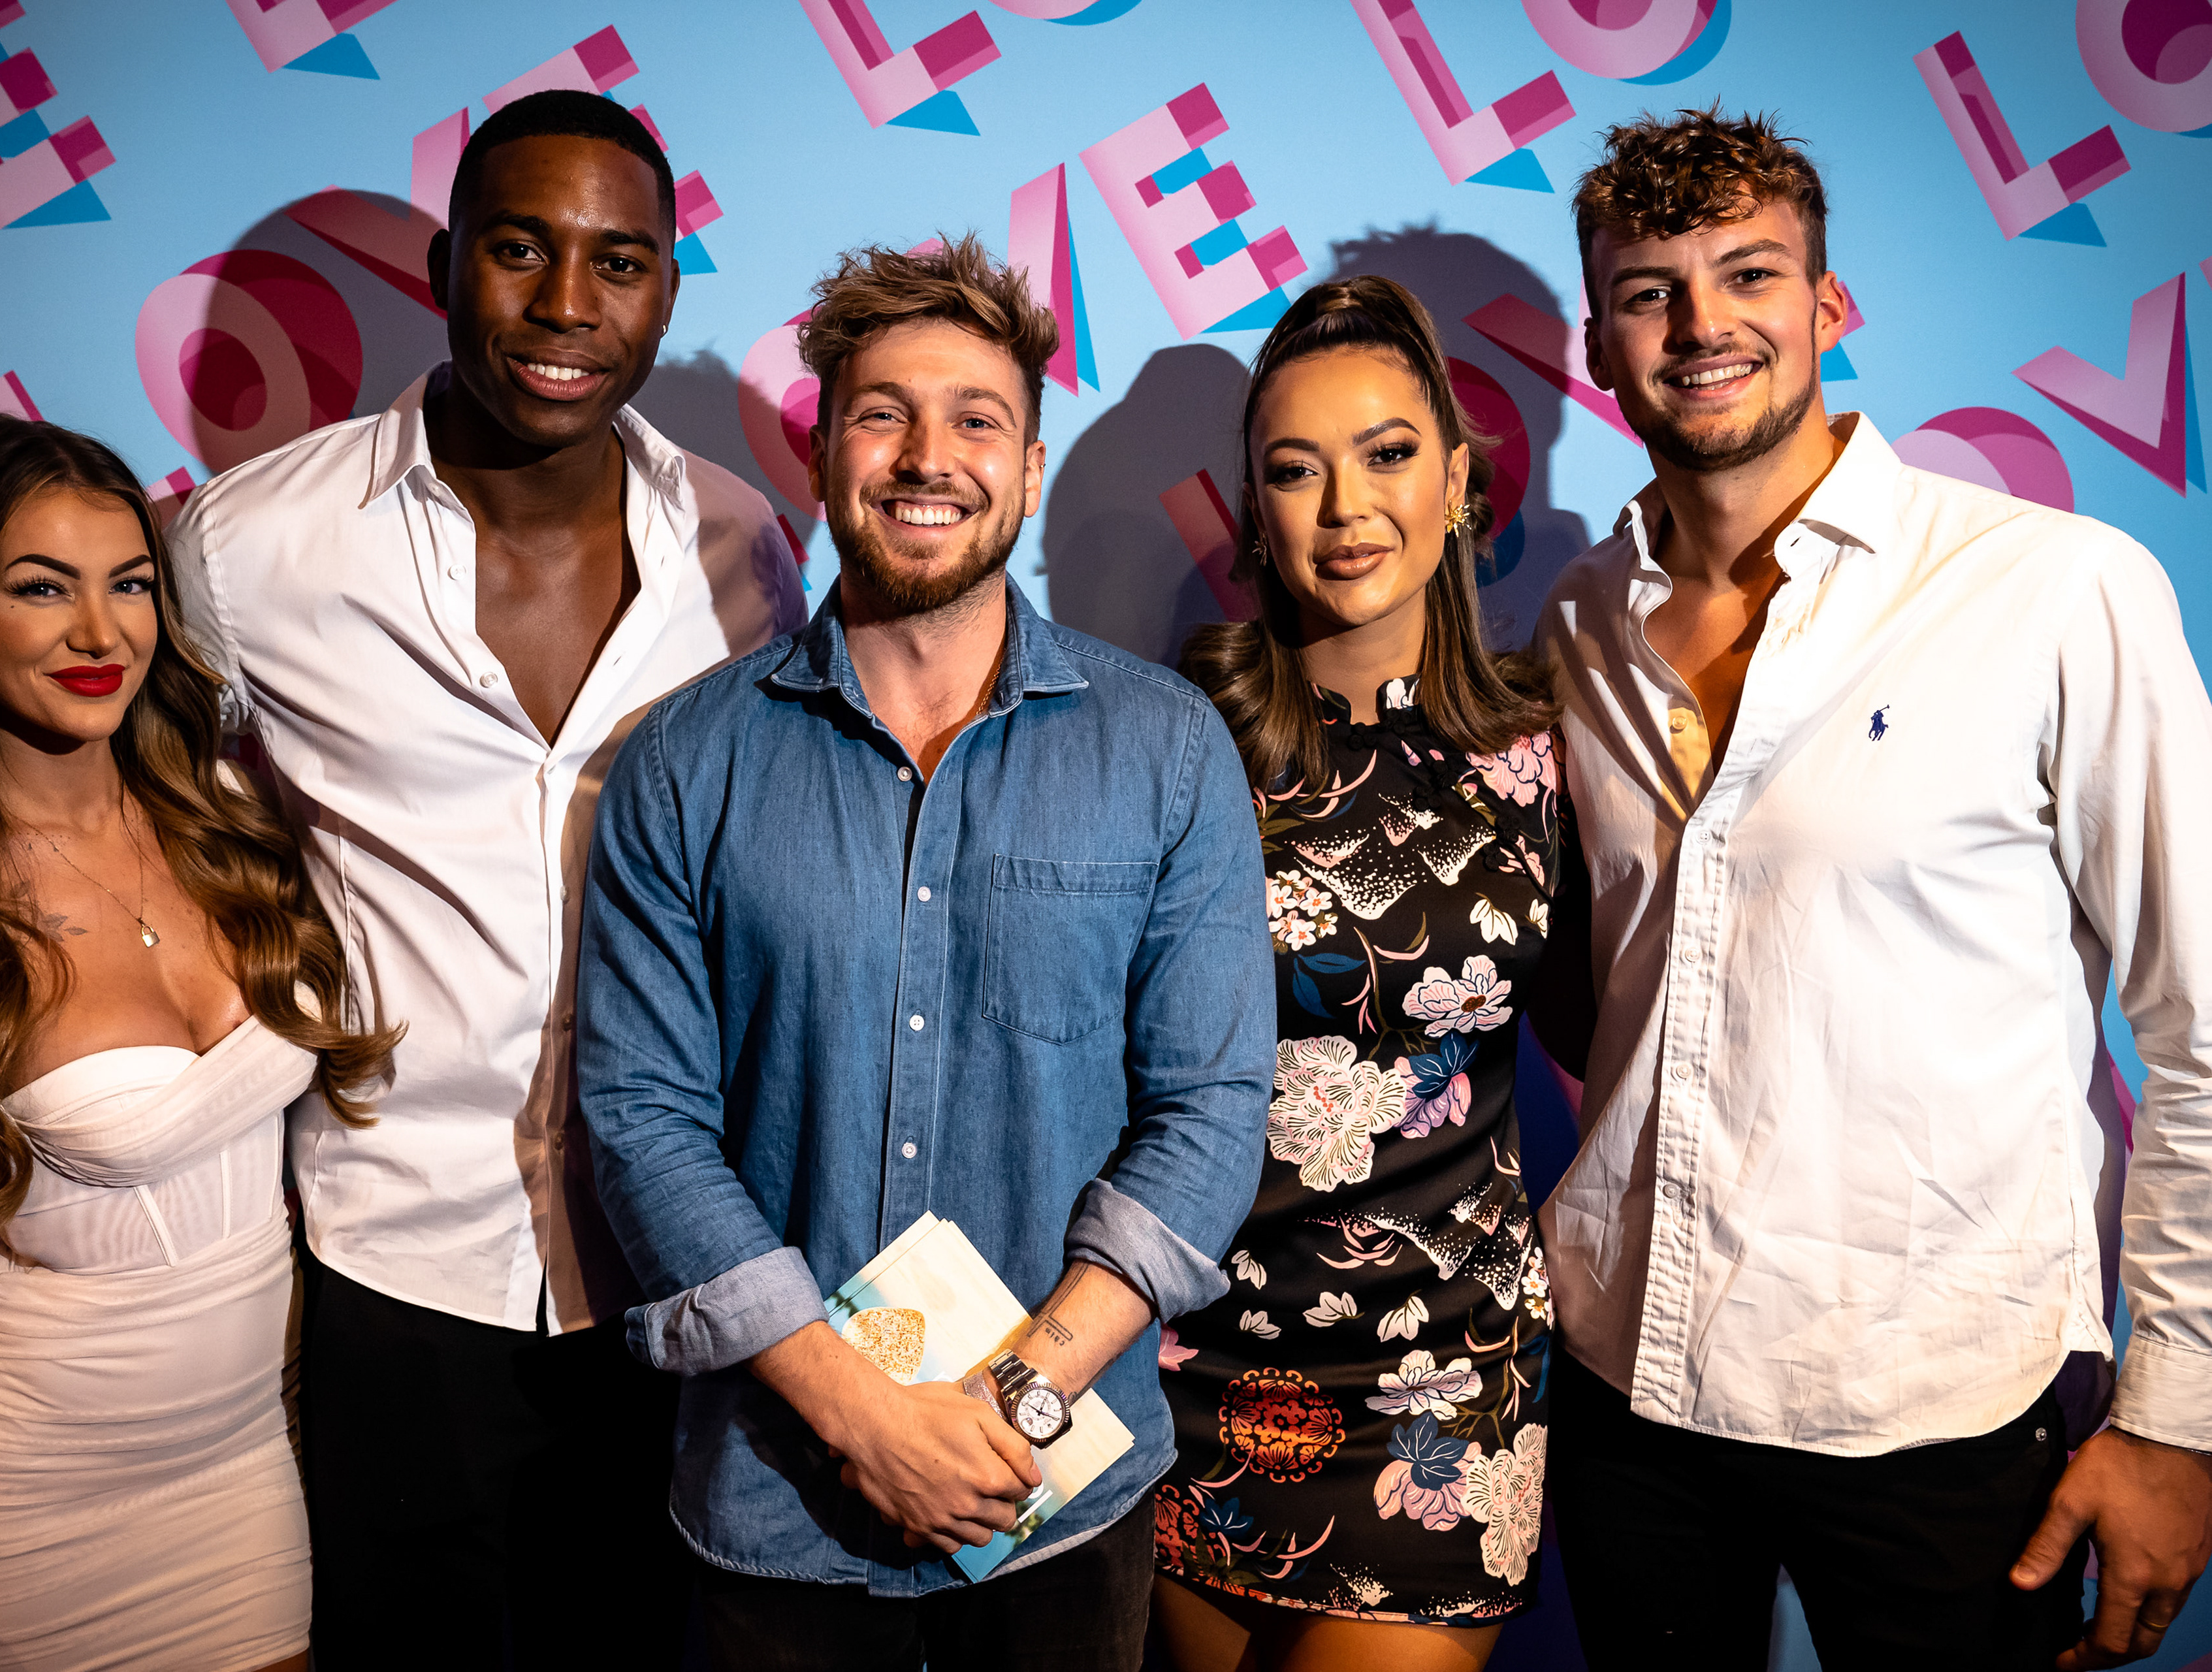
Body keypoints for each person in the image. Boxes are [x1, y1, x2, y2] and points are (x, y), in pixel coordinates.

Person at [1535, 106, 2212, 1669]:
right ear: (1599, 346)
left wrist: (2180, 1413)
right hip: (1632, 1380)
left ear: (1829, 305)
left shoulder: (2054, 588)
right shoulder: (1579, 622)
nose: (1702, 325)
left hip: (1941, 1397)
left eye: (1749, 274)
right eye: (1649, 292)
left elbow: (2199, 1021)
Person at [164, 88, 805, 1668]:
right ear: (446, 265)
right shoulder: (250, 549)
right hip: (395, 1254)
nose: (568, 305)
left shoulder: (742, 549)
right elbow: (125, 853)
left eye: (620, 262)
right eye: (522, 249)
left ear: (666, 288)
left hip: (677, 1257)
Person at [575, 234, 1274, 1669]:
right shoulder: (683, 765)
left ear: (1029, 467)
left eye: (976, 419)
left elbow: (1209, 1111)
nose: (927, 458)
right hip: (779, 1500)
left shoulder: (1166, 749)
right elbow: (643, 1120)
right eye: (883, 415)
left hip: (1058, 1505)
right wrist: (864, 1417)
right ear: (820, 452)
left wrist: (1008, 1406)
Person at [0, 413, 396, 1672]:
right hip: (34, 1491)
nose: (99, 633)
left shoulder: (230, 812)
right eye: (40, 588)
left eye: (129, 585)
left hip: (248, 1463)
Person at [1149, 278, 1571, 1672]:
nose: (1345, 507)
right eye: (1296, 469)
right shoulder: (1177, 740)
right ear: (1255, 510)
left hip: (1444, 1388)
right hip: (1188, 1364)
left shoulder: (1546, 751)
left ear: (1458, 481)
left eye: (1387, 453)